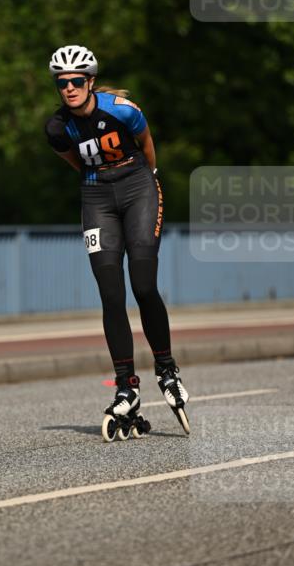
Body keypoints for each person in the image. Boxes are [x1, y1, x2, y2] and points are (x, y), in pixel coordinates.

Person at [44, 43, 189, 435]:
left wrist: (148, 182)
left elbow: (147, 147)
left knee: (143, 284)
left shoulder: (123, 110)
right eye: (62, 83)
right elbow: (76, 163)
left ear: (90, 81)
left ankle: (166, 369)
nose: (69, 88)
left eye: (76, 81)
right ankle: (127, 385)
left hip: (138, 187)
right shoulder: (57, 128)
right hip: (96, 196)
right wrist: (100, 180)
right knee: (110, 293)